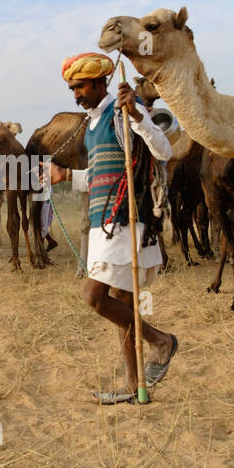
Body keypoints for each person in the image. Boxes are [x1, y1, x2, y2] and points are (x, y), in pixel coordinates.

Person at [41, 52, 177, 404]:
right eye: (72, 88)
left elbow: (163, 151)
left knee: (94, 297)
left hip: (126, 222)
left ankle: (161, 341)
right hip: (104, 222)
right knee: (122, 305)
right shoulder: (91, 124)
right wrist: (66, 175)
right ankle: (136, 389)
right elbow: (103, 174)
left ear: (101, 81)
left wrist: (136, 116)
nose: (75, 94)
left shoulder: (123, 112)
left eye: (80, 86)